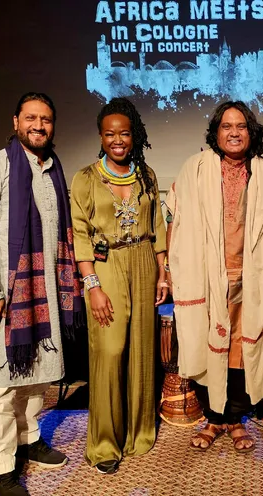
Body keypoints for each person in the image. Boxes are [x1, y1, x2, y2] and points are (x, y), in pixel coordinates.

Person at [165, 101, 263, 453]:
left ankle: (235, 418)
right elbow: (174, 219)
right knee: (207, 347)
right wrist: (170, 270)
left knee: (240, 350)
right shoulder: (195, 168)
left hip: (252, 279)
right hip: (204, 278)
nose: (234, 132)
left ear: (251, 132)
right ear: (216, 132)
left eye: (241, 126)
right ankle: (213, 418)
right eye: (226, 126)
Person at [0, 92, 82, 496]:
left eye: (45, 119)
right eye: (30, 118)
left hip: (45, 296)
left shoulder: (54, 169)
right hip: (6, 299)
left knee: (35, 379)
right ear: (15, 122)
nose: (38, 125)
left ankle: (28, 440)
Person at [70, 98, 168, 474]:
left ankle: (138, 433)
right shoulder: (85, 178)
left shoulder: (147, 175)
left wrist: (163, 272)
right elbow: (80, 236)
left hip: (143, 261)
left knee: (142, 350)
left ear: (134, 135)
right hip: (105, 264)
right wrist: (92, 286)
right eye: (110, 134)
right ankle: (104, 444)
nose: (117, 140)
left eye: (124, 133)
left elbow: (157, 227)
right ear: (100, 136)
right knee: (109, 351)